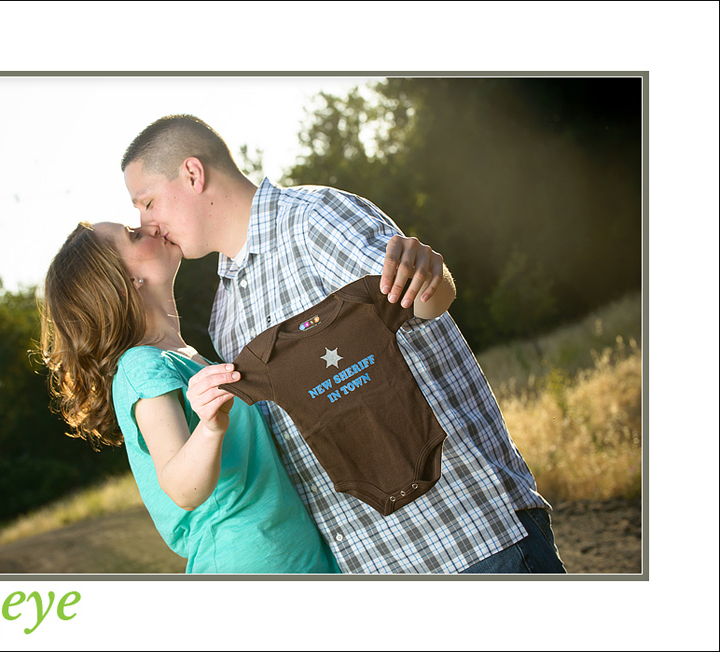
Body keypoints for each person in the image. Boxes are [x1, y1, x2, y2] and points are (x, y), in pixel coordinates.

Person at [121, 114, 566, 574]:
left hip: (470, 540)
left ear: (192, 174)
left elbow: (426, 297)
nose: (147, 223)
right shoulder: (224, 314)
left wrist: (431, 272)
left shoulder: (314, 220)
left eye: (148, 202)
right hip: (372, 564)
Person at [38, 220, 339, 574]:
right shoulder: (141, 366)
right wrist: (210, 429)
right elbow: (182, 488)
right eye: (134, 235)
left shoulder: (188, 356)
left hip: (295, 553)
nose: (150, 226)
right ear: (124, 285)